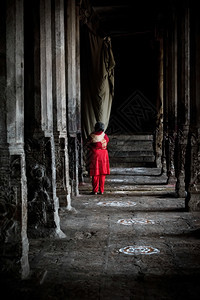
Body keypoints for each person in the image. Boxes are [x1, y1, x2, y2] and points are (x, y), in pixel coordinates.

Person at [87, 122, 110, 195]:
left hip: (95, 155)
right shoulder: (104, 135)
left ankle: (95, 190)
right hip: (104, 155)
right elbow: (107, 141)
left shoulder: (92, 136)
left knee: (95, 173)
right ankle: (102, 190)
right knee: (102, 173)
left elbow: (87, 144)